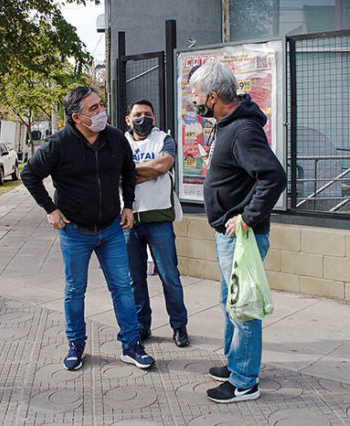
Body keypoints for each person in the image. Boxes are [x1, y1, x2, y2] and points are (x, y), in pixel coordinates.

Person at [21, 86, 155, 372]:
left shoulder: (116, 138)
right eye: (93, 109)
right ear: (76, 117)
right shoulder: (59, 144)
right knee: (75, 290)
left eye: (100, 105)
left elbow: (128, 171)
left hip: (111, 229)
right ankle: (76, 345)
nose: (101, 112)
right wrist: (50, 209)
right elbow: (29, 174)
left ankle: (131, 345)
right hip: (75, 231)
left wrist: (128, 206)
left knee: (122, 287)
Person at [189, 62, 286, 403]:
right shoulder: (226, 124)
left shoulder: (243, 130)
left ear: (213, 97)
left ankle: (244, 381)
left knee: (243, 308)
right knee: (230, 303)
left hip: (242, 236)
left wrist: (247, 217)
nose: (193, 101)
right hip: (229, 235)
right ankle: (235, 364)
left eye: (196, 95)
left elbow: (273, 176)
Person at [123, 99, 189, 348]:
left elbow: (163, 165)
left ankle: (179, 325)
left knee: (169, 275)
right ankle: (142, 325)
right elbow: (114, 174)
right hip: (128, 221)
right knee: (134, 279)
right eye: (137, 114)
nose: (143, 118)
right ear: (128, 120)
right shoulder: (120, 142)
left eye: (147, 114)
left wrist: (129, 173)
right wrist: (146, 171)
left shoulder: (164, 139)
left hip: (159, 219)